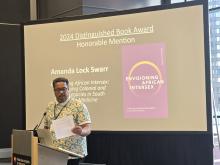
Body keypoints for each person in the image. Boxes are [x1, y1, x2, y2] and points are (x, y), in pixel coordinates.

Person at [44, 77, 91, 165]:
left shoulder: (79, 105)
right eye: (58, 90)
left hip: (73, 154)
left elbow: (87, 128)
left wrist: (81, 131)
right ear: (54, 91)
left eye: (63, 89)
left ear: (68, 89)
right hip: (54, 153)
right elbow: (46, 127)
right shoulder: (50, 106)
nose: (61, 92)